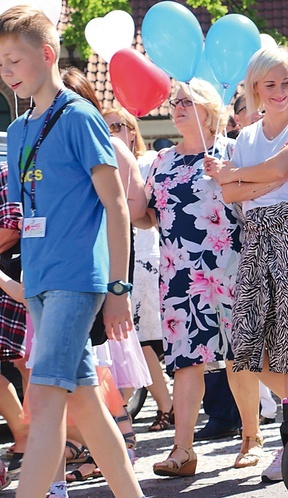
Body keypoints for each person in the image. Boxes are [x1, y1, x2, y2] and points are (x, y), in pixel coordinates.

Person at [0, 6, 156, 498]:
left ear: (46, 56)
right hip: (42, 279)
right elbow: (32, 214)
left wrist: (117, 289)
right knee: (85, 400)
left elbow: (115, 206)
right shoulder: (19, 132)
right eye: (0, 61)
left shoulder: (80, 117)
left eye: (14, 59)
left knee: (44, 401)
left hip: (78, 279)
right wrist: (22, 284)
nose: (6, 69)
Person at [204, 47, 288, 483]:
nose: (279, 91)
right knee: (248, 345)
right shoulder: (246, 138)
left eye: (285, 81)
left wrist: (238, 176)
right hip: (256, 236)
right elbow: (232, 195)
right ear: (255, 88)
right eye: (270, 84)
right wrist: (253, 179)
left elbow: (283, 167)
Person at [136, 78, 243, 478]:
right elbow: (147, 217)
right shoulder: (161, 160)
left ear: (209, 110)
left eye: (187, 102)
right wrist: (128, 192)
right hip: (179, 271)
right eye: (175, 102)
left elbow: (250, 199)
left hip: (230, 267)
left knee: (241, 356)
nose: (177, 107)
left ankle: (253, 436)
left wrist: (228, 176)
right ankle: (183, 450)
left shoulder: (229, 151)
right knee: (186, 360)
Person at [102, 106, 175, 432]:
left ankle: (137, 410)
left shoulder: (145, 163)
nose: (114, 130)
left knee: (140, 342)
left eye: (120, 125)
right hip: (120, 259)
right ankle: (160, 406)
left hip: (146, 260)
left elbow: (146, 211)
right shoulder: (103, 164)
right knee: (135, 343)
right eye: (108, 126)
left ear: (133, 131)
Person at [0, 161, 27, 476]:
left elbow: (11, 228)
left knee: (25, 361)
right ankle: (24, 434)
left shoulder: (5, 172)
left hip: (13, 278)